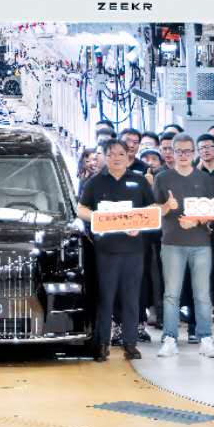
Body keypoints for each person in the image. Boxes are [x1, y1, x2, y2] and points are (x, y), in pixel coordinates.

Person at [79, 140, 157, 361]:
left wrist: (140, 223)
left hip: (134, 249)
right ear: (104, 157)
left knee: (131, 298)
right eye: (111, 154)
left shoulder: (139, 181)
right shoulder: (94, 182)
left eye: (121, 154)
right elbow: (81, 208)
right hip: (106, 250)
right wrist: (98, 218)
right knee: (106, 298)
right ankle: (102, 343)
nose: (116, 158)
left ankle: (130, 343)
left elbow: (152, 208)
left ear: (127, 155)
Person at [153, 135, 214, 358]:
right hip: (171, 243)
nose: (183, 155)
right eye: (179, 151)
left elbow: (211, 211)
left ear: (194, 153)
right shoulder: (162, 178)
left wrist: (196, 220)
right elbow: (154, 211)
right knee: (171, 294)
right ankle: (169, 338)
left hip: (201, 244)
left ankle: (205, 337)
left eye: (187, 151)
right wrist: (166, 206)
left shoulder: (204, 179)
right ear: (171, 153)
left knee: (202, 294)